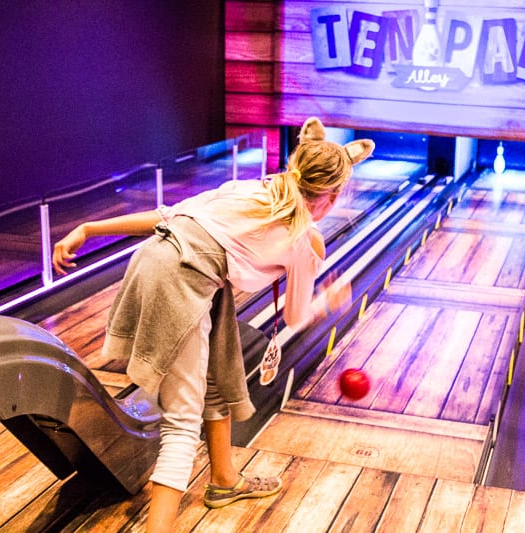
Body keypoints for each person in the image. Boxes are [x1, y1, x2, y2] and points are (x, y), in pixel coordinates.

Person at [52, 117, 374, 532]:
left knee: (215, 375)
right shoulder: (304, 240)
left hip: (152, 261)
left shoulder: (247, 189)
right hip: (180, 284)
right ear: (330, 197)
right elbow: (294, 316)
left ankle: (224, 480)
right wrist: (326, 301)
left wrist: (88, 228)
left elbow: (168, 217)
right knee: (182, 423)